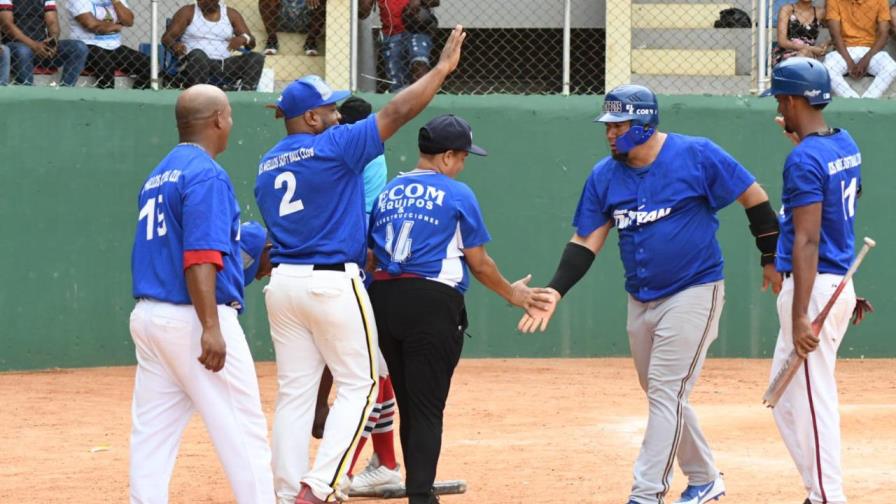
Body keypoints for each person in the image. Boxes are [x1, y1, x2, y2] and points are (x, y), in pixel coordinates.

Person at [518, 84, 781, 504]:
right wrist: (556, 289)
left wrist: (770, 255)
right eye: (607, 125)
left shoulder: (696, 154)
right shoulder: (605, 175)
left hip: (695, 289)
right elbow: (586, 241)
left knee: (664, 390)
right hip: (640, 297)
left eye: (618, 125)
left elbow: (755, 197)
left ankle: (647, 493)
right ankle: (705, 478)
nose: (609, 134)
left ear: (643, 125)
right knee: (664, 393)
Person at [254, 26, 468, 504]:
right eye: (329, 108)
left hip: (283, 285)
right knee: (363, 384)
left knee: (295, 393)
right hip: (331, 282)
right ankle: (321, 485)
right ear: (309, 117)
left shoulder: (267, 163)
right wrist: (440, 69)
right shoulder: (334, 145)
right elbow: (398, 110)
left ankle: (287, 492)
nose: (336, 113)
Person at [368, 114, 551, 504]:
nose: (463, 164)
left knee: (409, 403)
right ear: (447, 156)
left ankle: (419, 487)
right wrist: (512, 294)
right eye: (463, 156)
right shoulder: (457, 193)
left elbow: (371, 255)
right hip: (431, 303)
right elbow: (479, 262)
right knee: (429, 407)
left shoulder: (387, 192)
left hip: (383, 301)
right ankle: (421, 495)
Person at [128, 84, 275, 504]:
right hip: (192, 317)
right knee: (243, 429)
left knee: (152, 437)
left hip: (150, 317)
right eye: (229, 115)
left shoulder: (159, 172)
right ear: (217, 120)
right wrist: (210, 325)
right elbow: (200, 256)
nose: (231, 123)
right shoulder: (207, 173)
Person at [760, 56, 872, 504]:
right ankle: (817, 489)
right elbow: (840, 216)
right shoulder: (843, 143)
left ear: (791, 99)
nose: (779, 107)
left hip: (815, 288)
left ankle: (828, 496)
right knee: (783, 397)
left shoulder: (804, 159)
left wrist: (803, 313)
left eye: (781, 100)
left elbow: (806, 240)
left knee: (813, 398)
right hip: (834, 282)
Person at [308, 96, 402, 497]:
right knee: (372, 369)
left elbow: (362, 224)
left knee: (367, 372)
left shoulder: (363, 155)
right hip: (346, 265)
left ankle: (348, 469)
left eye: (343, 121)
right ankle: (385, 462)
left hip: (359, 265)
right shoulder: (341, 151)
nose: (336, 125)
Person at [162, 0, 265, 91]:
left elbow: (251, 43)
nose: (200, 1)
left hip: (224, 65)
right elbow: (166, 38)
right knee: (198, 54)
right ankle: (200, 96)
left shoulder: (231, 14)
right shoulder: (188, 12)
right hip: (196, 64)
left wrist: (244, 39)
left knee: (256, 58)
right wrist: (175, 45)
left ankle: (244, 97)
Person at [64, 0, 150, 89]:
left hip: (114, 47)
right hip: (87, 46)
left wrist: (116, 2)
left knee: (150, 66)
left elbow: (129, 21)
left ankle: (135, 101)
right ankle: (106, 100)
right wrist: (116, 26)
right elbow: (92, 25)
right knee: (106, 65)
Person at [0, 0, 88, 86]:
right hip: (16, 46)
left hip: (41, 47)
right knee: (23, 51)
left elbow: (52, 22)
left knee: (79, 47)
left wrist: (53, 41)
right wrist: (34, 46)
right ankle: (26, 90)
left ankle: (65, 91)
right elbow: (7, 26)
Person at [360, 0, 438, 92]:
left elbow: (436, 2)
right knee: (397, 84)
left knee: (419, 61)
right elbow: (362, 14)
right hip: (392, 35)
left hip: (416, 29)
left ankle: (424, 94)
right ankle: (405, 100)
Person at [824, 0, 896, 98]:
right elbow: (835, 35)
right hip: (844, 50)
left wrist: (867, 58)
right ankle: (852, 99)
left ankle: (869, 99)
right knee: (827, 67)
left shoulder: (880, 0)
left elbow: (884, 34)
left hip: (870, 49)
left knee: (891, 66)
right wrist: (849, 61)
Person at [773, 0, 828, 65]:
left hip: (808, 55)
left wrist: (826, 44)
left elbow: (838, 31)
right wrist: (812, 49)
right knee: (804, 53)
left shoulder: (819, 12)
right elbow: (782, 42)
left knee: (805, 53)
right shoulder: (787, 9)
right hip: (786, 54)